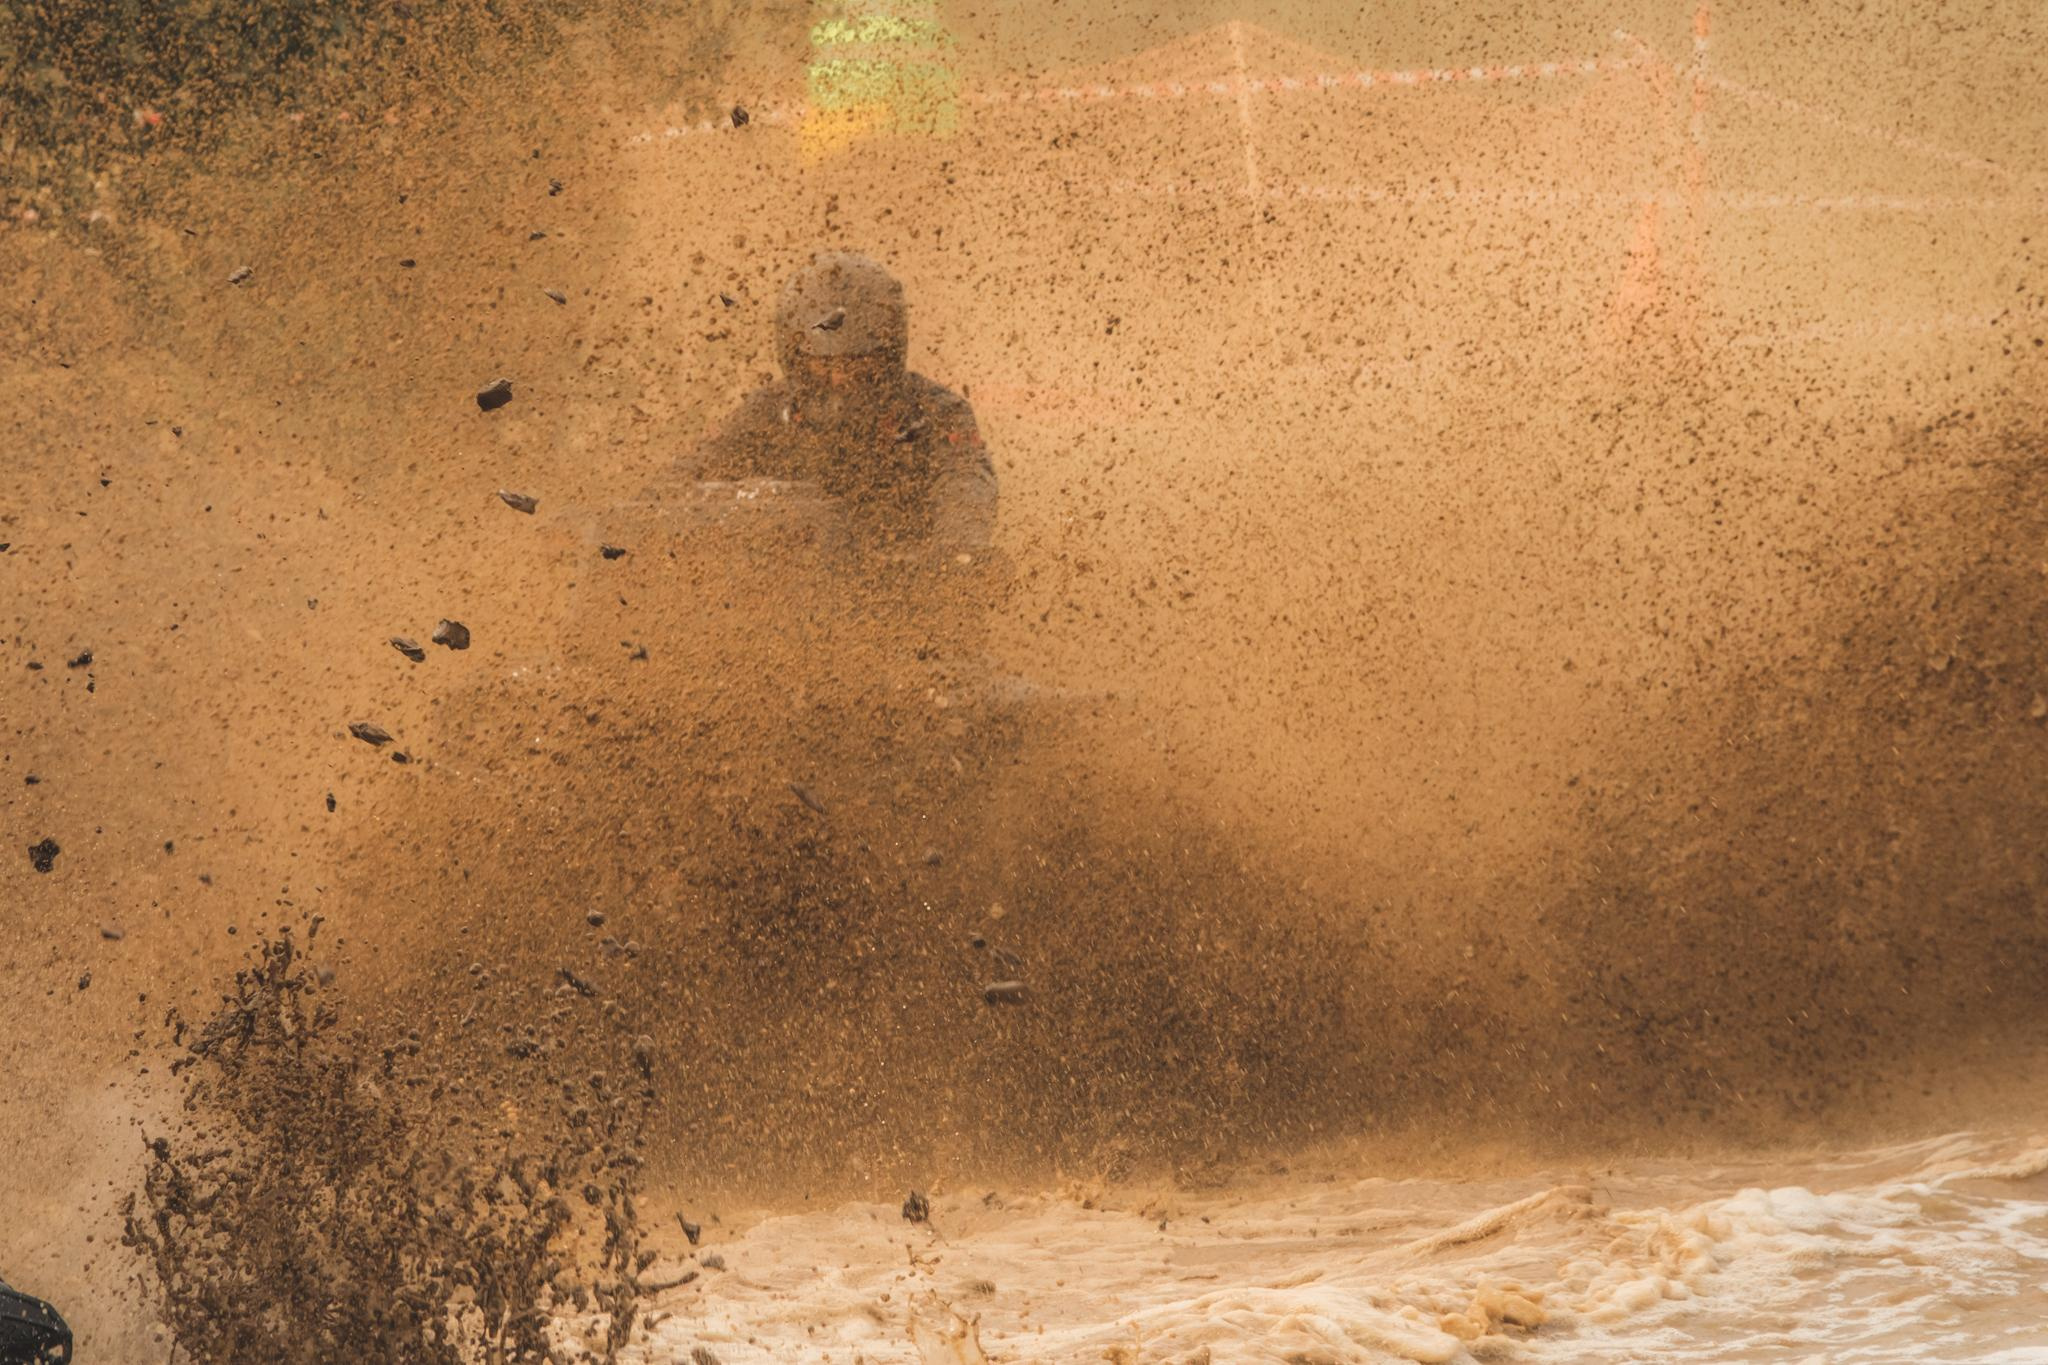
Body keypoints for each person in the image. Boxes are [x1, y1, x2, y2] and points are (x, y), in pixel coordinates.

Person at [646, 252, 997, 558]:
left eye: (856, 362)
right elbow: (697, 468)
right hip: (789, 591)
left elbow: (965, 481)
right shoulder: (768, 412)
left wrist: (959, 547)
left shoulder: (934, 411)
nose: (840, 378)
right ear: (797, 356)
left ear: (887, 354)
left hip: (904, 586)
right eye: (825, 364)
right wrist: (650, 508)